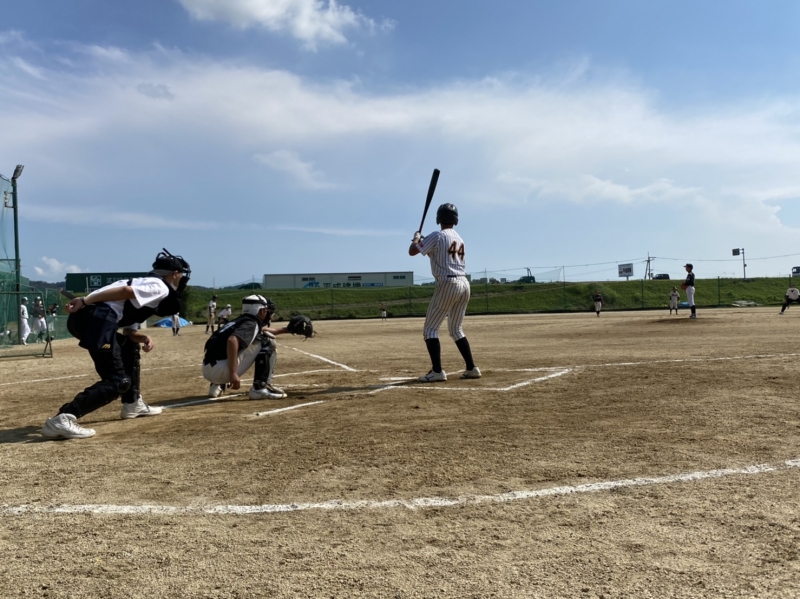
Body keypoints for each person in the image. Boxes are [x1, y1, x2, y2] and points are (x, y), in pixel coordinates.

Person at [40, 249, 191, 440]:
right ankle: (63, 418)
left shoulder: (144, 292)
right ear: (175, 274)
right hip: (99, 318)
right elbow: (125, 292)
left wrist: (143, 338)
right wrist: (85, 300)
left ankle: (132, 403)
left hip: (92, 319)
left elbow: (129, 332)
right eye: (181, 275)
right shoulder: (159, 285)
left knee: (128, 346)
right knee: (117, 381)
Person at [408, 203, 480, 381]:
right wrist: (422, 240)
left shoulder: (438, 235)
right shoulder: (459, 238)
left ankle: (437, 371)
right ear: (455, 220)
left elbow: (412, 251)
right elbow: (435, 252)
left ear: (439, 218)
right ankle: (471, 368)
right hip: (464, 283)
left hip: (448, 283)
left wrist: (416, 239)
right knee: (456, 329)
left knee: (430, 329)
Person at [202, 295, 290, 400]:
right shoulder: (251, 323)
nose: (268, 313)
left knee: (231, 346)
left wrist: (287, 329)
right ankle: (259, 388)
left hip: (208, 369)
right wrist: (233, 373)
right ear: (261, 311)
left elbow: (262, 330)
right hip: (222, 371)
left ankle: (216, 385)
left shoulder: (238, 321)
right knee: (267, 340)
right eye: (266, 310)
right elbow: (232, 340)